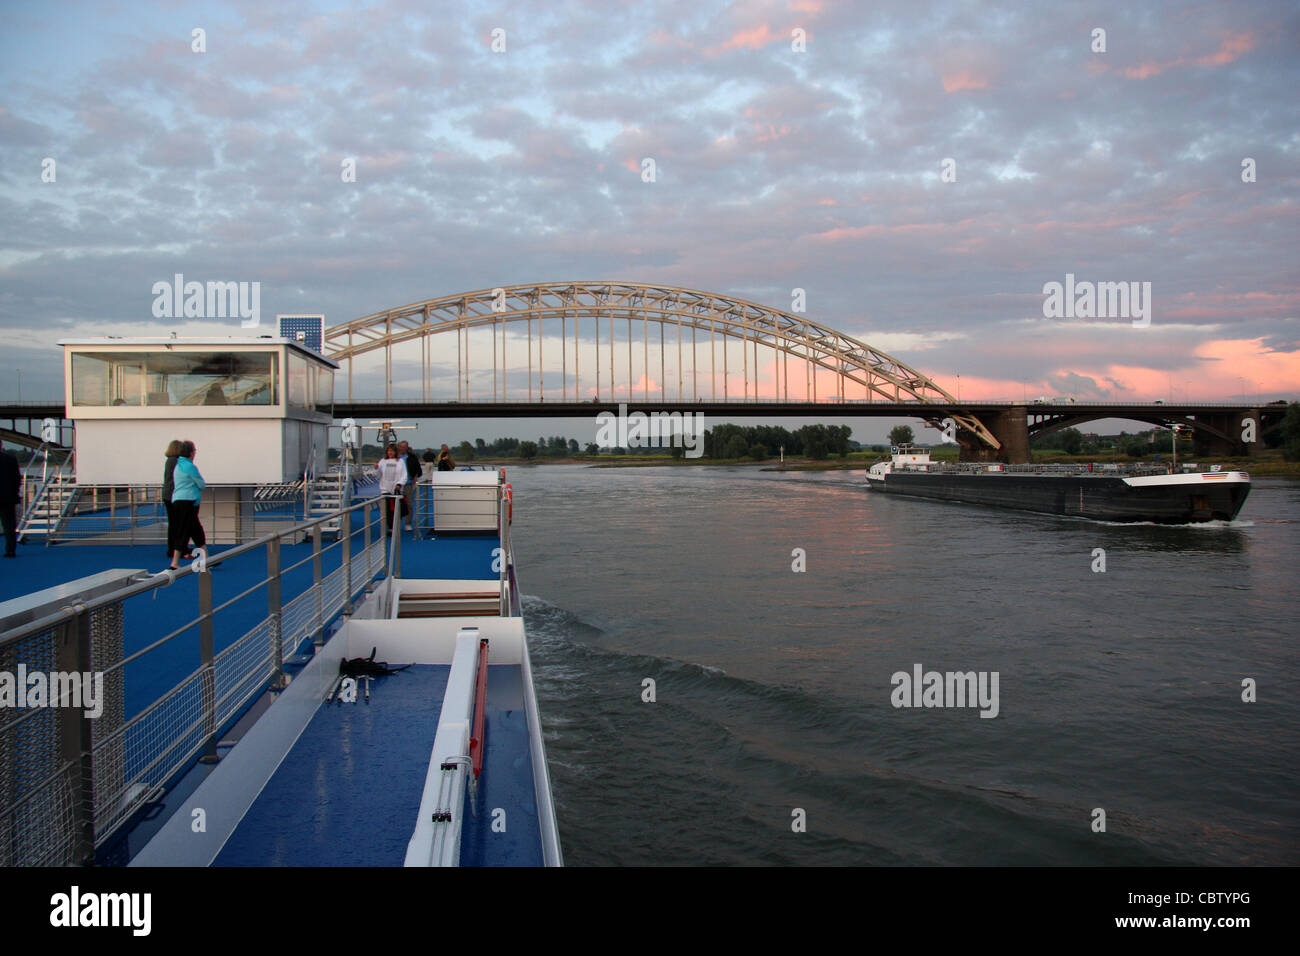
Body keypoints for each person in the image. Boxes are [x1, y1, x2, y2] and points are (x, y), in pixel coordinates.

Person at [169, 440, 206, 569]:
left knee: (193, 529)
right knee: (189, 530)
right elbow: (201, 484)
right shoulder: (189, 467)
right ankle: (174, 562)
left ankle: (206, 559)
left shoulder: (178, 466)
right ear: (191, 453)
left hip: (178, 500)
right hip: (188, 502)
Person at [162, 439, 186, 559]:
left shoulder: (170, 460)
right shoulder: (175, 461)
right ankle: (175, 548)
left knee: (174, 523)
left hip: (168, 495)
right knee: (176, 524)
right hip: (172, 495)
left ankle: (174, 548)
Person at [374, 444, 405, 533]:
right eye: (389, 451)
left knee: (396, 509)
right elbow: (378, 475)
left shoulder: (400, 462)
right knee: (387, 510)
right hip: (385, 489)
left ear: (395, 452)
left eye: (392, 451)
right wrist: (376, 469)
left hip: (396, 489)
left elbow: (404, 475)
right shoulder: (383, 461)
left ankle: (396, 526)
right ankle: (390, 527)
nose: (390, 453)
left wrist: (400, 484)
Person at [397, 440, 422, 532]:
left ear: (407, 448)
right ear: (398, 447)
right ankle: (396, 523)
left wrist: (415, 476)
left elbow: (418, 469)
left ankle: (408, 523)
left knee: (409, 504)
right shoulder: (394, 458)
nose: (403, 448)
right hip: (396, 485)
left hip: (408, 483)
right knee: (396, 505)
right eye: (401, 446)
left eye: (404, 447)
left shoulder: (412, 457)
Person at [0, 446, 21, 558]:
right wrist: (14, 492)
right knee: (9, 525)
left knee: (8, 524)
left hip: (7, 496)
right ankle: (10, 550)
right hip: (8, 497)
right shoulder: (10, 459)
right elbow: (17, 479)